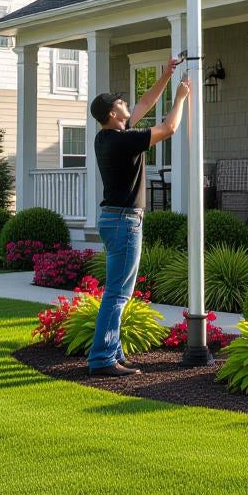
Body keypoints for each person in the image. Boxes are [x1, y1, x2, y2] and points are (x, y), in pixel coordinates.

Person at [87, 57, 190, 377]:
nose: (126, 104)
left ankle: (113, 351)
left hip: (115, 220)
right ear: (112, 114)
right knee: (117, 293)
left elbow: (145, 102)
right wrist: (181, 99)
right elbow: (169, 128)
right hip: (124, 222)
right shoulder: (122, 141)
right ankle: (103, 358)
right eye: (120, 103)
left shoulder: (109, 136)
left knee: (118, 291)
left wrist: (166, 76)